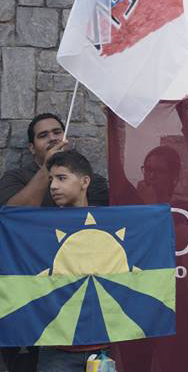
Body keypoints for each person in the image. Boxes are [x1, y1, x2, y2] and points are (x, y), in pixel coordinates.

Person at [35, 151, 112, 371]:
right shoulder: (41, 227)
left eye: (62, 178)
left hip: (104, 348)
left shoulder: (110, 224)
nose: (53, 186)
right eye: (51, 179)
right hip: (56, 349)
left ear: (84, 181)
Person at [0, 113, 108, 207]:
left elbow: (97, 220)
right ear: (32, 148)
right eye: (43, 136)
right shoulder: (15, 178)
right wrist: (48, 165)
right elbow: (13, 215)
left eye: (57, 132)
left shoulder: (92, 179)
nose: (52, 138)